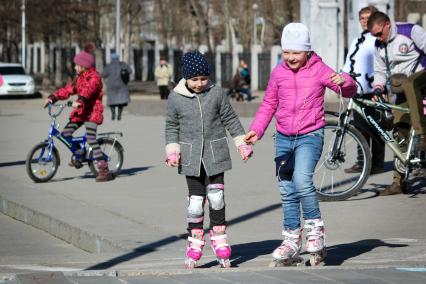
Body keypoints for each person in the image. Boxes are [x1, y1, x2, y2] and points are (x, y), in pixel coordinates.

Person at [245, 23, 356, 266]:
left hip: (310, 135)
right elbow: (268, 104)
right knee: (286, 188)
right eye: (286, 52)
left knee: (302, 180)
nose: (291, 57)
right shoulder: (278, 73)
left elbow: (348, 90)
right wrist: (257, 130)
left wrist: (344, 81)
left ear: (307, 51)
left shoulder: (318, 69)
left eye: (296, 52)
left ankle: (315, 231)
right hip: (284, 137)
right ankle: (291, 239)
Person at [164, 50, 253, 268]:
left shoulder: (216, 93)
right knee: (195, 204)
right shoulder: (175, 97)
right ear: (186, 77)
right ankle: (195, 241)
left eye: (204, 78)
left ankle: (219, 237)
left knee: (216, 197)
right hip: (190, 158)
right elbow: (171, 126)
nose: (200, 83)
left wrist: (242, 143)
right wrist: (172, 151)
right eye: (194, 79)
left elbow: (230, 118)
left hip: (216, 154)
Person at [367, 11, 426, 195]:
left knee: (410, 83)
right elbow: (379, 71)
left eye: (379, 33)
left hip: (421, 78)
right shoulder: (379, 45)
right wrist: (378, 88)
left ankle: (423, 136)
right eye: (374, 35)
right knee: (399, 131)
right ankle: (398, 183)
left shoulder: (410, 31)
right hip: (402, 90)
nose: (378, 38)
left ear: (387, 24)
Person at [44, 44, 114, 182]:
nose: (75, 67)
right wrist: (52, 97)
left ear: (84, 66)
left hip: (92, 112)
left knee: (91, 138)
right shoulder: (79, 77)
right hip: (81, 112)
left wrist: (80, 100)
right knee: (65, 135)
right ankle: (79, 153)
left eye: (77, 65)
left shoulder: (95, 78)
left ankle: (104, 169)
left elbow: (89, 90)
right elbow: (68, 90)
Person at [342, 5, 385, 175]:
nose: (365, 21)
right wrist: (342, 80)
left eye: (369, 17)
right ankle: (362, 162)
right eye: (362, 18)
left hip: (373, 91)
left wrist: (383, 88)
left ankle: (377, 164)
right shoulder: (357, 39)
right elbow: (348, 63)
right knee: (359, 128)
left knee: (376, 128)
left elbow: (384, 65)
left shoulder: (378, 39)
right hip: (357, 91)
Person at [102, 53, 132, 121]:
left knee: (112, 101)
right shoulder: (123, 64)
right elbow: (130, 71)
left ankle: (113, 114)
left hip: (111, 86)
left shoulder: (109, 66)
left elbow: (103, 74)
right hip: (122, 85)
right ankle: (119, 115)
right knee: (120, 101)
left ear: (111, 58)